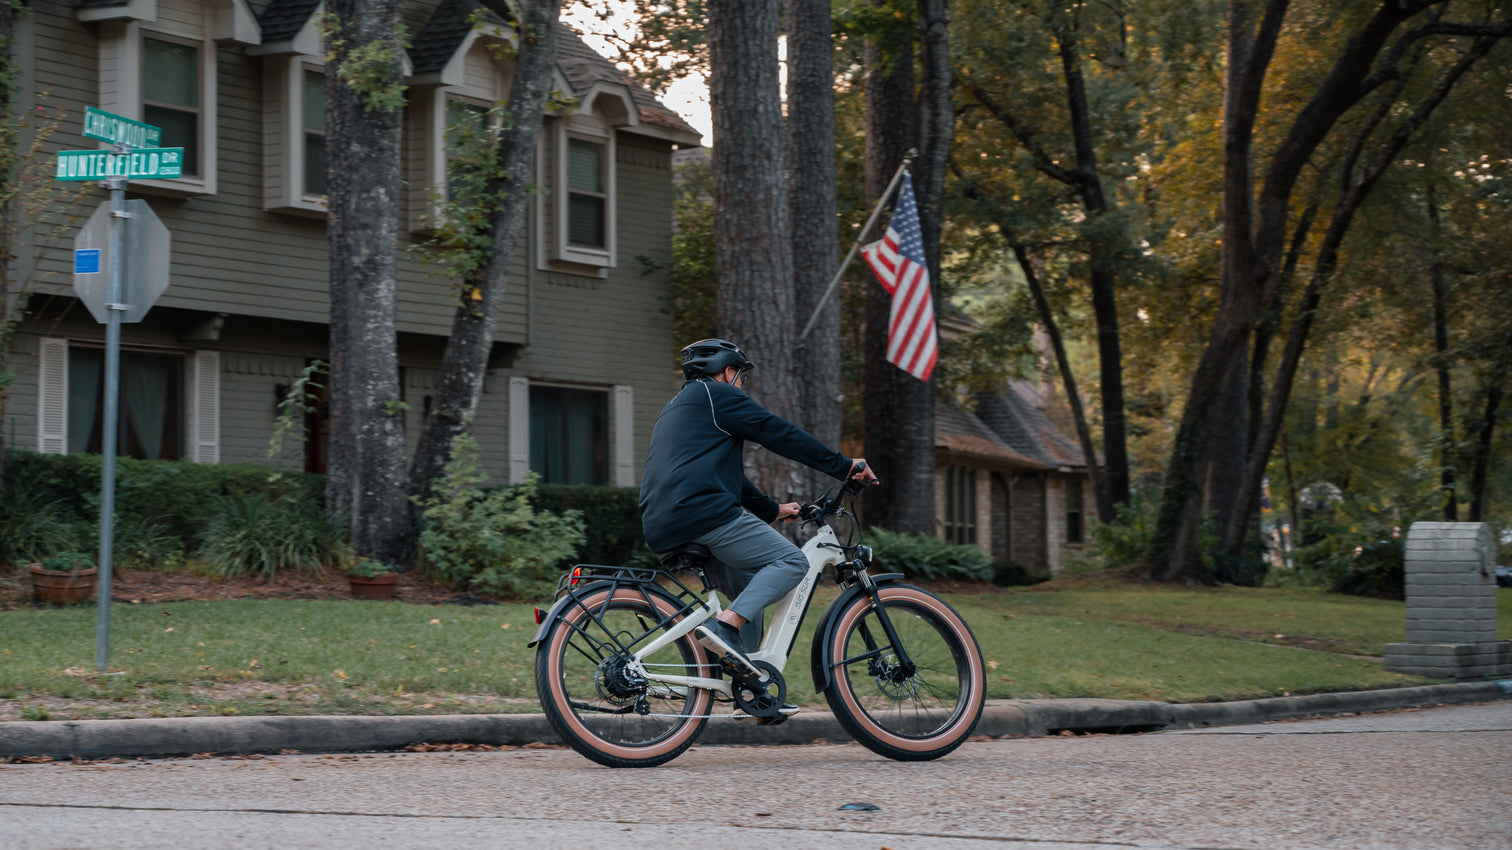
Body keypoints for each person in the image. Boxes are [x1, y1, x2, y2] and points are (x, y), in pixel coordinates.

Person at [639, 338, 877, 680]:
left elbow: (728, 476)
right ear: (727, 371)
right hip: (703, 513)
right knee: (792, 562)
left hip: (664, 522)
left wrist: (772, 509)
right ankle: (725, 628)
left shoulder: (680, 406)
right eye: (740, 376)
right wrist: (842, 466)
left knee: (749, 590)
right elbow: (775, 432)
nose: (741, 385)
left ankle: (748, 683)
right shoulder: (717, 395)